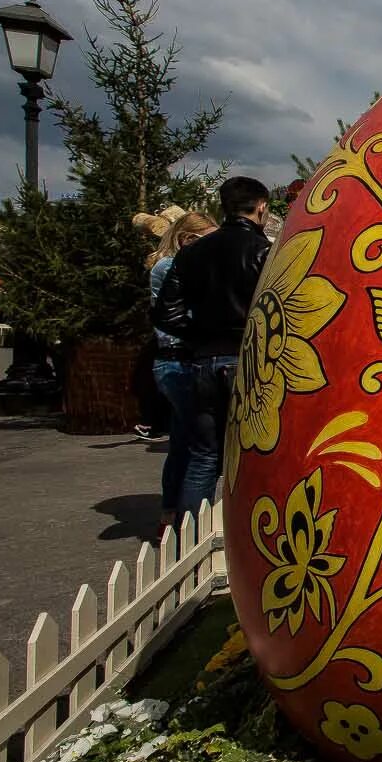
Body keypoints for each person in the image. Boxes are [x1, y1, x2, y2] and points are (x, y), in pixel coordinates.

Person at [153, 177, 272, 516]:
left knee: (203, 453)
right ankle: (252, 530)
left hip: (203, 361)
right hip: (251, 360)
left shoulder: (192, 253)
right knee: (255, 450)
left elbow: (166, 313)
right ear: (261, 206)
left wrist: (199, 335)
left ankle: (188, 535)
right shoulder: (265, 252)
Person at [146, 211, 217, 535]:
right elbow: (176, 317)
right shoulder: (171, 268)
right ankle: (187, 524)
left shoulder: (173, 266)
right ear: (188, 239)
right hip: (180, 360)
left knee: (182, 442)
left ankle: (170, 514)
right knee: (201, 447)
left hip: (177, 359)